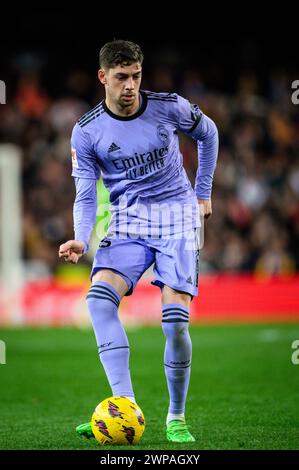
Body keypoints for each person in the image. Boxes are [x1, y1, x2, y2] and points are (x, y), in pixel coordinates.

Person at [59, 40, 218, 443]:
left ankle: (176, 417)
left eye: (136, 76)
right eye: (121, 77)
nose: (130, 85)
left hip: (178, 216)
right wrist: (80, 238)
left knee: (175, 323)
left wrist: (203, 192)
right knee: (97, 299)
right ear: (103, 77)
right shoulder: (87, 131)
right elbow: (84, 193)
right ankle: (123, 409)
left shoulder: (169, 107)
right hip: (129, 220)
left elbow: (209, 132)